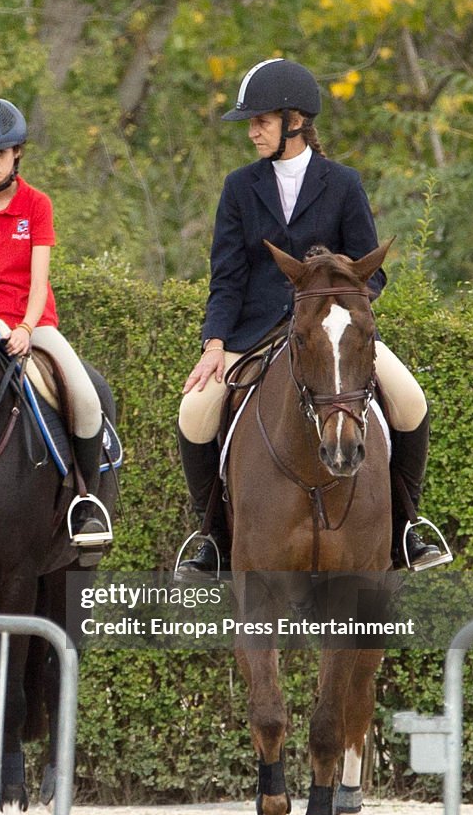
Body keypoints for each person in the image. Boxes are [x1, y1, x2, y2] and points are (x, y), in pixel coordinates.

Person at [177, 57, 450, 577]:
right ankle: (210, 538)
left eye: (261, 120)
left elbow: (374, 274)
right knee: (194, 412)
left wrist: (339, 305)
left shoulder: (343, 184)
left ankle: (406, 529)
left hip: (332, 334)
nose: (253, 130)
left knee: (411, 401)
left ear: (294, 120)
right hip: (255, 332)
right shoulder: (239, 187)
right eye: (252, 122)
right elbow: (226, 278)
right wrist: (215, 343)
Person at [0, 96, 112, 550]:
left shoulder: (37, 204)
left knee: (87, 400)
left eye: (0, 154)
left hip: (32, 324)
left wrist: (28, 328)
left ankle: (87, 503)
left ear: (16, 154)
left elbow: (39, 279)